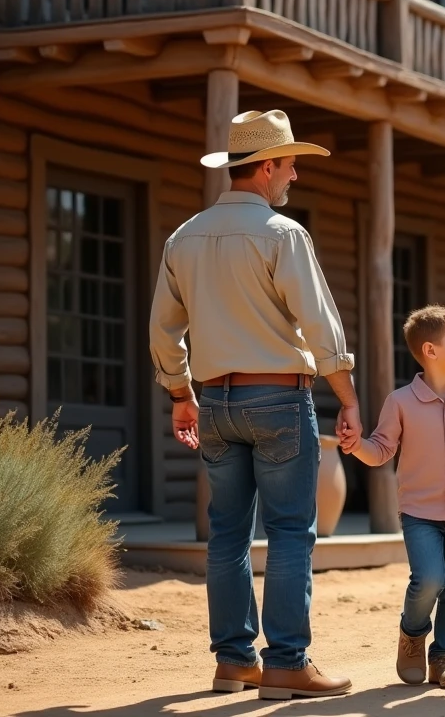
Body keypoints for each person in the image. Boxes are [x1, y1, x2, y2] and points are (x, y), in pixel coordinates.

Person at [149, 110, 359, 701]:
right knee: (292, 532)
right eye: (290, 165)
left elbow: (164, 334)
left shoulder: (182, 237)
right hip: (279, 400)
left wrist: (179, 394)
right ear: (266, 167)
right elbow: (322, 328)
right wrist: (347, 399)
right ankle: (288, 663)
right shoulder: (283, 234)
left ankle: (234, 662)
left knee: (227, 535)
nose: (294, 175)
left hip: (214, 401)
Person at [340, 304, 445, 689]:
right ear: (431, 351)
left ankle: (444, 656)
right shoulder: (400, 402)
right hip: (419, 513)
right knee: (428, 580)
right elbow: (380, 450)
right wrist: (355, 444)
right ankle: (412, 635)